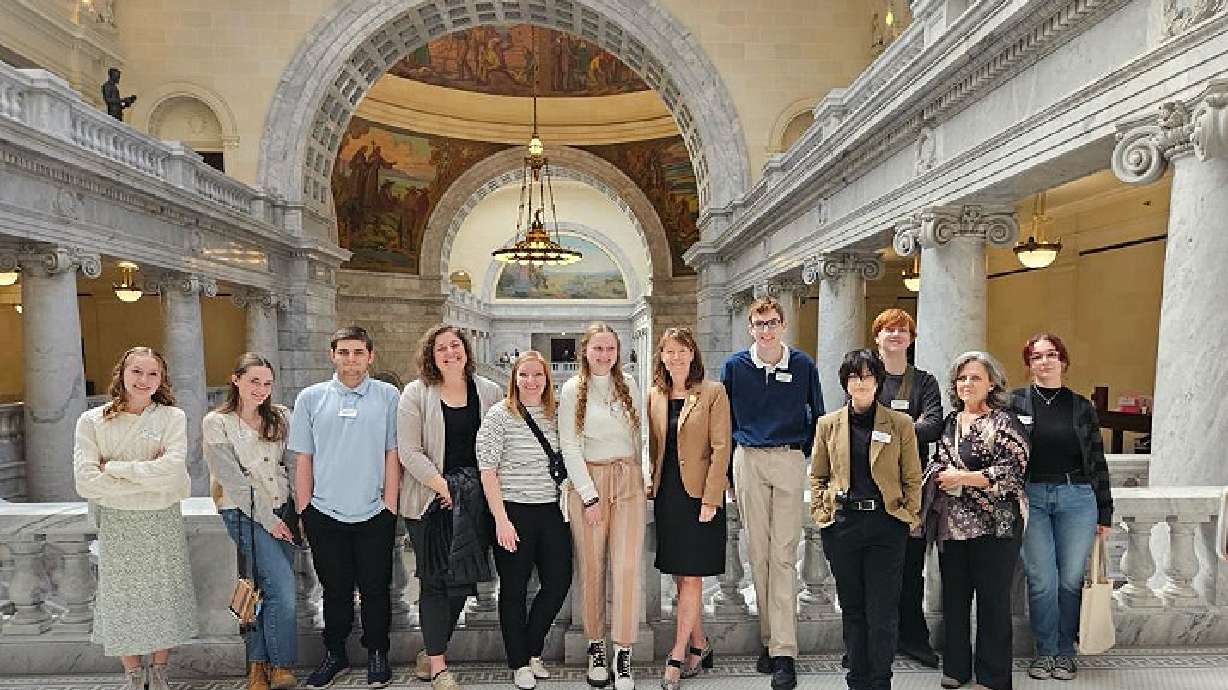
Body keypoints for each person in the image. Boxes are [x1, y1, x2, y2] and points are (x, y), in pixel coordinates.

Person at [73, 346, 196, 690]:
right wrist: (147, 478)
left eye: (152, 373)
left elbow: (172, 473)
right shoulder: (92, 421)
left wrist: (113, 469)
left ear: (162, 379)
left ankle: (158, 672)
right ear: (122, 374)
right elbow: (85, 481)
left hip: (161, 520)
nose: (144, 380)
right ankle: (132, 674)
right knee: (121, 597)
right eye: (137, 372)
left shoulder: (172, 418)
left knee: (163, 594)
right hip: (116, 522)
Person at [290, 326, 401, 689]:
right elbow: (303, 458)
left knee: (376, 588)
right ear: (332, 355)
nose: (350, 359)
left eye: (358, 352)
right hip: (325, 512)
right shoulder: (310, 398)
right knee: (333, 590)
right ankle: (334, 653)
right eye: (344, 352)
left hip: (374, 512)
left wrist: (390, 507)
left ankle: (377, 653)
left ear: (370, 356)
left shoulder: (388, 396)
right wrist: (305, 509)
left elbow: (392, 453)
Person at [721, 295, 823, 690]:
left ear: (783, 325)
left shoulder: (801, 365)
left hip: (788, 458)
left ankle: (784, 651)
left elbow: (817, 411)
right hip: (747, 459)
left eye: (772, 323)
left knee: (783, 556)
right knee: (759, 556)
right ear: (751, 327)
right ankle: (769, 638)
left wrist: (805, 459)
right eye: (759, 324)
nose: (766, 331)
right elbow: (724, 420)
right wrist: (729, 472)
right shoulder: (735, 367)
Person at [399, 324, 503, 690]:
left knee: (461, 583)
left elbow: (499, 442)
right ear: (430, 355)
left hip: (472, 502)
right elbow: (409, 450)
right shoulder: (416, 393)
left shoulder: (489, 391)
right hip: (430, 500)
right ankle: (440, 666)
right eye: (440, 348)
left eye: (455, 345)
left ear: (466, 350)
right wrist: (443, 487)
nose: (449, 353)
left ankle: (431, 651)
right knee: (434, 583)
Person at [811, 349, 922, 690]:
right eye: (854, 376)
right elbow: (818, 476)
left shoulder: (899, 423)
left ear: (878, 381)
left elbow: (912, 476)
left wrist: (908, 516)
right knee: (853, 607)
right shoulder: (828, 424)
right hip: (843, 526)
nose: (861, 382)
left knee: (883, 611)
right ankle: (857, 679)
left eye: (868, 376)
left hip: (886, 526)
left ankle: (880, 680)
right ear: (846, 382)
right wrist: (822, 513)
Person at [921, 351, 1029, 690]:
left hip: (996, 524)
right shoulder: (950, 421)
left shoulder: (1005, 421)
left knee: (993, 602)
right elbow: (937, 461)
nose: (967, 383)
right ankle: (956, 669)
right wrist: (940, 474)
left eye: (976, 377)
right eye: (962, 377)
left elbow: (1013, 471)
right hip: (951, 525)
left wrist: (963, 478)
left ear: (992, 382)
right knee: (953, 600)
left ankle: (993, 677)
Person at [1010, 334, 1113, 681]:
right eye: (1036, 356)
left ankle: (1066, 653)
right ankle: (1046, 652)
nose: (1045, 361)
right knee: (1042, 579)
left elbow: (1097, 460)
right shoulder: (1015, 403)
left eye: (1051, 355)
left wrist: (1104, 512)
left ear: (1063, 361)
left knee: (1069, 580)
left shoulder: (1081, 406)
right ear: (1029, 364)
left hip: (1076, 497)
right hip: (1032, 497)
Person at [476, 350, 572, 690]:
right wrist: (501, 519)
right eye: (524, 375)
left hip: (552, 510)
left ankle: (532, 649)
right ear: (514, 379)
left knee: (559, 581)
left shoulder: (558, 411)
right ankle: (519, 662)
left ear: (547, 379)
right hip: (513, 510)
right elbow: (487, 471)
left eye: (538, 375)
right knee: (514, 589)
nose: (531, 382)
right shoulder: (499, 415)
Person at [203, 353, 298, 690]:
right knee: (284, 591)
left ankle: (259, 665)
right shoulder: (218, 422)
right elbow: (233, 480)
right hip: (243, 513)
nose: (261, 389)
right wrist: (268, 521)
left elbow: (291, 466)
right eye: (254, 381)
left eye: (267, 383)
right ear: (236, 379)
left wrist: (297, 514)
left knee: (268, 589)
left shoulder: (282, 417)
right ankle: (282, 665)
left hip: (283, 510)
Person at [558, 322, 645, 690]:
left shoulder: (630, 384)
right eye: (598, 349)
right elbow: (569, 444)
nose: (604, 355)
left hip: (627, 479)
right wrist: (589, 495)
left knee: (625, 568)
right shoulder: (571, 389)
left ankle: (622, 652)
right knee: (592, 566)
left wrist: (646, 475)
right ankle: (596, 646)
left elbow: (641, 437)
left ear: (617, 351)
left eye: (610, 349)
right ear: (585, 351)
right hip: (588, 483)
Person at [647, 328, 730, 690]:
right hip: (668, 497)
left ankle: (677, 655)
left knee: (692, 576)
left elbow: (721, 448)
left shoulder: (712, 392)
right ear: (661, 356)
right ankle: (700, 642)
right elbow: (654, 447)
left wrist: (712, 499)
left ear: (692, 354)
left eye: (682, 350)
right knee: (681, 576)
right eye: (670, 351)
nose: (676, 357)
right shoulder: (654, 395)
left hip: (700, 497)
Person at [871, 308, 943, 668]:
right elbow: (858, 424)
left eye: (903, 330)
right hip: (869, 487)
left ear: (911, 339)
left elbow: (933, 426)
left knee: (912, 567)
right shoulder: (867, 376)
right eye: (889, 330)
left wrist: (887, 429)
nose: (896, 335)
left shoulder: (924, 382)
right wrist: (906, 426)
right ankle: (873, 640)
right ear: (877, 337)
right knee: (873, 569)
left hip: (912, 487)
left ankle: (913, 638)